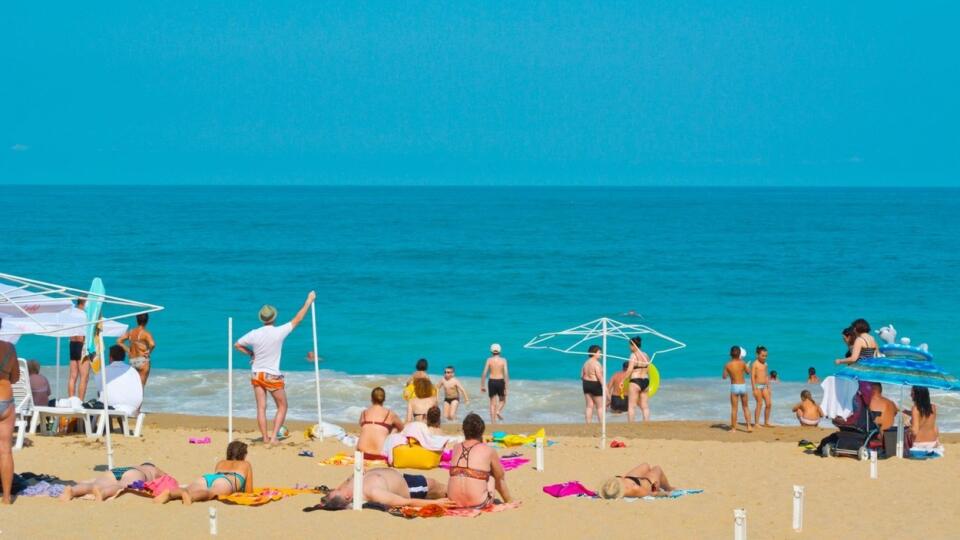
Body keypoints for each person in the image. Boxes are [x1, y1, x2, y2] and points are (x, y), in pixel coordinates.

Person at [234, 291, 315, 445]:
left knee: (261, 407)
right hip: (271, 375)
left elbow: (237, 345)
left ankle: (264, 438)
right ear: (274, 317)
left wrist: (251, 353)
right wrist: (308, 301)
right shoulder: (279, 332)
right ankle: (273, 438)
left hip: (257, 374)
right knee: (283, 406)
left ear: (262, 319)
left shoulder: (254, 333)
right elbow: (298, 319)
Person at [447, 413, 512, 508]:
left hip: (454, 502)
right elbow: (500, 478)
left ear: (464, 431)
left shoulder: (456, 447)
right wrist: (508, 500)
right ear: (482, 432)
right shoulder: (489, 450)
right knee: (493, 475)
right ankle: (509, 500)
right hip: (478, 503)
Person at [155, 441, 252, 505]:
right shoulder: (246, 464)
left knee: (187, 489)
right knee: (210, 492)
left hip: (208, 478)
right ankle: (191, 497)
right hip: (226, 481)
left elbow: (215, 478)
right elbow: (248, 491)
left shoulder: (221, 462)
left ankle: (171, 493)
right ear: (243, 454)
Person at [320, 467, 452, 510]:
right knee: (437, 487)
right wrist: (435, 503)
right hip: (410, 488)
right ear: (348, 498)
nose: (339, 488)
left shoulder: (346, 487)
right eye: (338, 491)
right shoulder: (373, 493)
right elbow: (405, 502)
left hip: (401, 477)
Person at [60, 462, 167, 501]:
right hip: (135, 473)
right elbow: (167, 478)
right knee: (122, 485)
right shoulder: (153, 469)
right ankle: (103, 493)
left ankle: (72, 491)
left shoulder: (135, 465)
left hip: (117, 470)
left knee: (96, 484)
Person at [0, 318, 19, 505]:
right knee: (5, 450)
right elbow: (15, 377)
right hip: (5, 399)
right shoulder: (10, 349)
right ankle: (6, 497)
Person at [357, 387, 404, 461]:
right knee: (394, 428)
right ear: (384, 399)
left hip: (362, 453)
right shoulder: (389, 413)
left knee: (367, 428)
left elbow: (361, 424)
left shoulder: (364, 413)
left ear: (371, 399)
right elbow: (401, 428)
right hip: (380, 454)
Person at [97, 345, 144, 416]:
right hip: (133, 406)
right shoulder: (132, 370)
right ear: (123, 357)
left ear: (110, 357)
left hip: (112, 406)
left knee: (103, 397)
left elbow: (99, 389)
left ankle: (108, 425)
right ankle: (120, 426)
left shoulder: (104, 370)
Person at [116, 313, 155, 387]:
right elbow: (152, 344)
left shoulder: (131, 332)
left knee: (135, 387)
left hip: (133, 361)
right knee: (141, 387)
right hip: (143, 360)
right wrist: (149, 351)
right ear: (147, 321)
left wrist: (128, 350)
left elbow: (119, 341)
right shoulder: (146, 333)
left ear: (137, 320)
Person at [599, 462, 676, 499]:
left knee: (645, 465)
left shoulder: (611, 485)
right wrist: (657, 490)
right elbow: (652, 493)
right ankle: (668, 488)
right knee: (657, 468)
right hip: (649, 483)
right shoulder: (634, 489)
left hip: (630, 479)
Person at [722, 345, 752, 432]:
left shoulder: (727, 364)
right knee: (745, 407)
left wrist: (727, 371)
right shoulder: (742, 363)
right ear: (739, 354)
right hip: (742, 386)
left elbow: (724, 377)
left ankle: (734, 428)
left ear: (730, 354)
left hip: (734, 386)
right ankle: (749, 426)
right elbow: (748, 372)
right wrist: (747, 366)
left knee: (734, 409)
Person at [68, 297, 92, 400]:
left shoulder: (71, 314)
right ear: (84, 303)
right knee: (84, 376)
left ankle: (71, 400)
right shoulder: (86, 314)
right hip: (82, 344)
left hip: (72, 344)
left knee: (73, 376)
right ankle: (80, 402)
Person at [625, 336, 652, 422]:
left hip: (635, 380)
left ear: (633, 345)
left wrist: (623, 380)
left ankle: (631, 425)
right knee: (645, 406)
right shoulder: (646, 355)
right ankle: (646, 423)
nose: (629, 347)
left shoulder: (633, 355)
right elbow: (649, 368)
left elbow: (629, 370)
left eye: (630, 345)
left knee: (631, 406)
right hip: (646, 380)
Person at [480, 344, 509, 424]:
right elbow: (506, 374)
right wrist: (506, 387)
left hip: (491, 381)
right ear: (500, 351)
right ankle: (498, 411)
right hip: (500, 381)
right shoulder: (503, 360)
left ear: (491, 351)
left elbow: (484, 373)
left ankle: (493, 422)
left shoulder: (489, 360)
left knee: (492, 403)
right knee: (502, 400)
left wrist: (482, 385)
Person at [580, 345, 604, 424]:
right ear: (594, 353)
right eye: (599, 352)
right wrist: (605, 388)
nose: (601, 354)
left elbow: (581, 376)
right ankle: (601, 423)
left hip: (586, 384)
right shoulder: (597, 364)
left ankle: (588, 424)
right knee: (600, 407)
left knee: (589, 406)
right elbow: (600, 377)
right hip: (595, 384)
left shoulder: (585, 363)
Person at [751, 346, 772, 427]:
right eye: (763, 355)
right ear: (757, 355)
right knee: (759, 403)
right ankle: (756, 423)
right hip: (757, 386)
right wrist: (754, 388)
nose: (764, 357)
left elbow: (766, 376)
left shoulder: (765, 364)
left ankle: (766, 422)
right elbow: (752, 376)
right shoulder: (755, 364)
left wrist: (769, 387)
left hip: (764, 386)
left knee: (769, 404)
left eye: (766, 356)